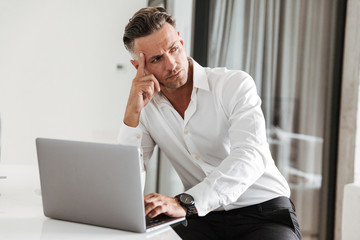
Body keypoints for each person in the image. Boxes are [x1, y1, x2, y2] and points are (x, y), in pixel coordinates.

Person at [117, 7, 301, 240]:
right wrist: (131, 114)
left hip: (263, 213)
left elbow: (249, 156)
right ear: (139, 68)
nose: (172, 64)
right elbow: (126, 183)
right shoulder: (146, 108)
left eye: (174, 49)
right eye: (156, 59)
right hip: (202, 220)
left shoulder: (233, 85)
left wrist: (187, 202)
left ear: (181, 41)